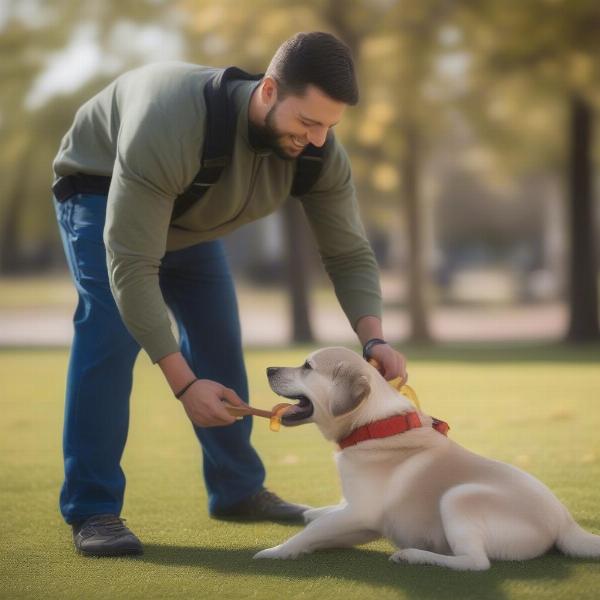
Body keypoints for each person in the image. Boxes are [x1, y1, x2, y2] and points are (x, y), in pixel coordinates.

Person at [52, 31, 408, 557]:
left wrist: (374, 340)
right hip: (102, 189)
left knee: (218, 338)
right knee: (110, 330)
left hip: (190, 222)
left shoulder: (317, 150)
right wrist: (183, 385)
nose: (316, 139)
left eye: (329, 127)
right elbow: (130, 264)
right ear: (268, 91)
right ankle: (93, 508)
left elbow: (348, 252)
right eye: (307, 122)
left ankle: (237, 490)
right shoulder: (170, 122)